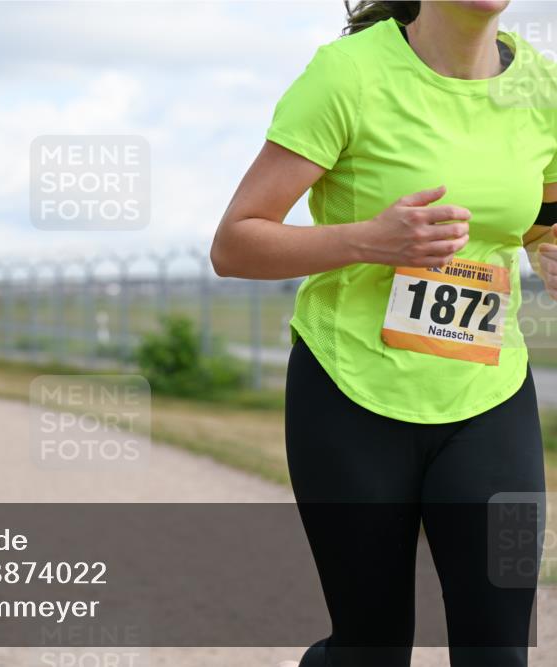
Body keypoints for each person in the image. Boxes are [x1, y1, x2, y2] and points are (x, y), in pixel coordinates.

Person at [209, 2, 556, 666]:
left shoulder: (546, 90)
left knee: (500, 652)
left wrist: (550, 250)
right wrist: (368, 240)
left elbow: (542, 217)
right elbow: (235, 244)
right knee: (370, 648)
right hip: (350, 393)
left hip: (487, 396)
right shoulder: (348, 75)